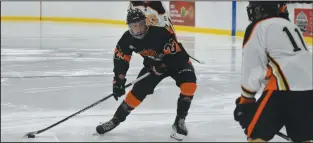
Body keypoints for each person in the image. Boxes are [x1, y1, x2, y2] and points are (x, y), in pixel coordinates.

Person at [95, 8, 197, 141]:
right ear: (129, 27)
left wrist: (163, 65)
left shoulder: (160, 33)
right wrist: (119, 80)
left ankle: (180, 120)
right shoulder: (127, 39)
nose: (138, 29)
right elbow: (121, 58)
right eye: (134, 26)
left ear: (146, 23)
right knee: (136, 93)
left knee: (189, 85)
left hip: (176, 63)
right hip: (154, 66)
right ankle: (115, 120)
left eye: (141, 25)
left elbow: (180, 56)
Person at [233, 1, 313, 142]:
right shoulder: (291, 25)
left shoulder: (257, 27)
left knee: (256, 136)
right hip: (310, 88)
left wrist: (246, 101)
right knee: (302, 139)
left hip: (283, 88)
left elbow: (252, 67)